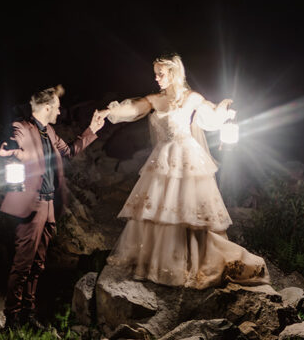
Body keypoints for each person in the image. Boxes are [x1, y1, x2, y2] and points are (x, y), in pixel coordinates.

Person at [98, 54, 267, 289]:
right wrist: (109, 112)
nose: (156, 78)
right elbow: (134, 108)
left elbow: (210, 120)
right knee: (159, 211)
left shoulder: (193, 98)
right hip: (163, 158)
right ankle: (161, 262)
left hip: (187, 158)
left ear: (174, 73)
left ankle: (191, 261)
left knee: (188, 212)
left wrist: (224, 112)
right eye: (155, 73)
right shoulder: (155, 99)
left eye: (161, 73)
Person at [0, 84, 105, 329]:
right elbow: (10, 145)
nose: (59, 111)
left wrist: (92, 129)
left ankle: (28, 314)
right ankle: (12, 318)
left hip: (49, 205)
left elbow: (69, 151)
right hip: (31, 205)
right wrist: (12, 150)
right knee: (23, 264)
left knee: (38, 264)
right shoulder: (21, 128)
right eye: (57, 107)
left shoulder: (51, 132)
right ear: (47, 107)